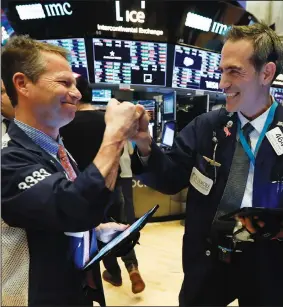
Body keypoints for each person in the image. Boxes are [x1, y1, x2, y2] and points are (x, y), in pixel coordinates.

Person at [131, 23, 283, 306]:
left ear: (267, 73)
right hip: (210, 258)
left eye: (234, 71)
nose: (222, 83)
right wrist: (144, 146)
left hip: (271, 262)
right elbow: (170, 179)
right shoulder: (206, 126)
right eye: (222, 71)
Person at [1, 35, 145, 306]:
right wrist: (113, 133)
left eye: (75, 84)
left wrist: (98, 232)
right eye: (64, 83)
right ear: (22, 84)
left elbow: (56, 220)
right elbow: (73, 206)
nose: (77, 93)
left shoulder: (58, 150)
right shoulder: (7, 157)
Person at [60, 77, 145, 294]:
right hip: (112, 188)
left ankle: (111, 274)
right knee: (118, 229)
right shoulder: (107, 121)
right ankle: (133, 267)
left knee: (96, 233)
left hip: (82, 191)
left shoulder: (63, 125)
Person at [102, 140, 145, 294]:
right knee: (122, 225)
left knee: (103, 229)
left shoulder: (77, 123)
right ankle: (132, 268)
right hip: (122, 175)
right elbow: (131, 151)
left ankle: (114, 274)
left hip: (98, 179)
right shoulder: (116, 122)